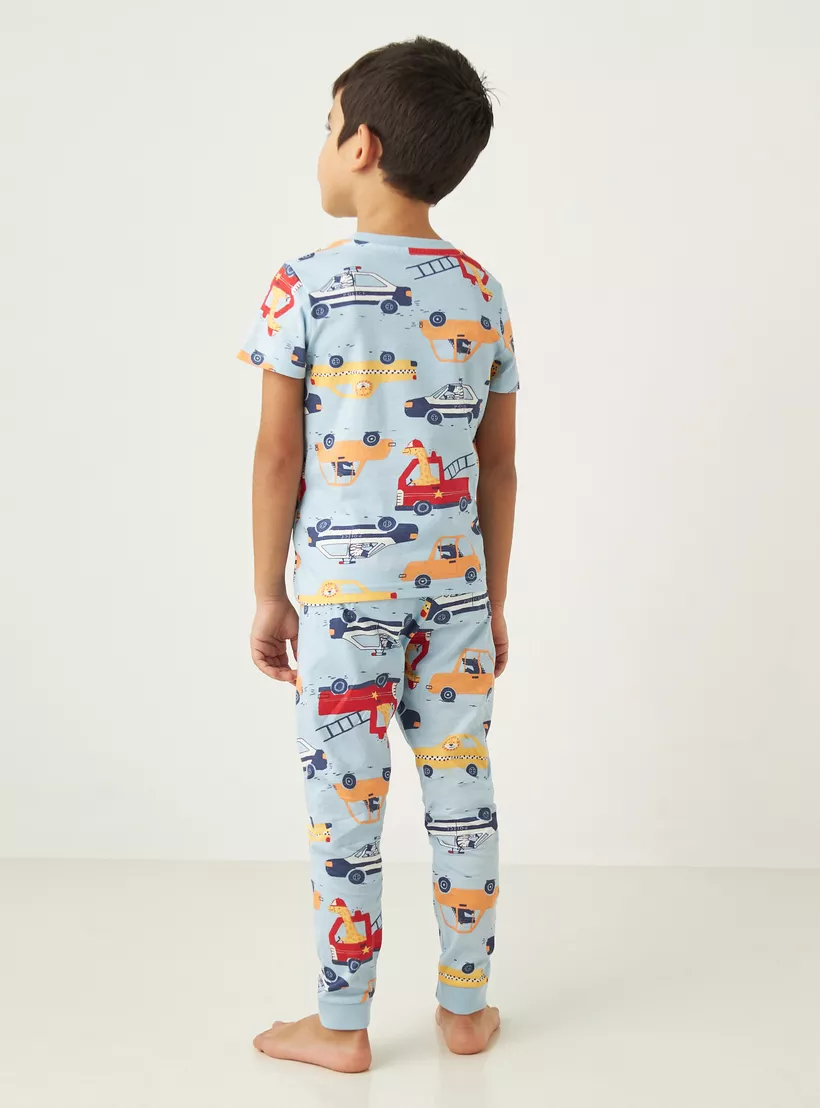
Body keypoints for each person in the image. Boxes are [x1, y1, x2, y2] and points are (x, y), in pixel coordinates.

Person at [236, 37, 518, 1073]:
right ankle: (465, 1008)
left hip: (344, 601)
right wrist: (492, 601)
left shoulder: (303, 284)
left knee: (344, 804)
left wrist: (269, 595)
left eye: (327, 127)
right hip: (455, 596)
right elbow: (499, 470)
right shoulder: (480, 290)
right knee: (461, 795)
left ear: (362, 145)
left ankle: (342, 1023)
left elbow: (278, 457)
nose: (321, 147)